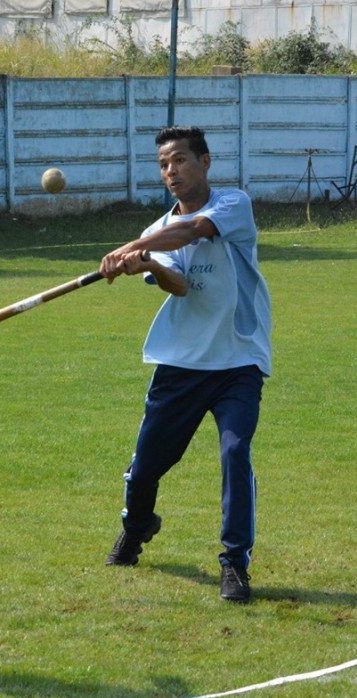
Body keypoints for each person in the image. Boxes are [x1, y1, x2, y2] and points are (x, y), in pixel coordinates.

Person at [99, 126, 271, 603]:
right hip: (181, 365)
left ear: (205, 162)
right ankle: (137, 528)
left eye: (179, 160)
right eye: (163, 165)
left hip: (238, 360)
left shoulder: (234, 205)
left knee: (235, 453)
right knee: (147, 464)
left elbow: (196, 229)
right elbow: (178, 282)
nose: (170, 171)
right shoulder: (158, 231)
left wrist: (137, 247)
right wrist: (149, 263)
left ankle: (235, 563)